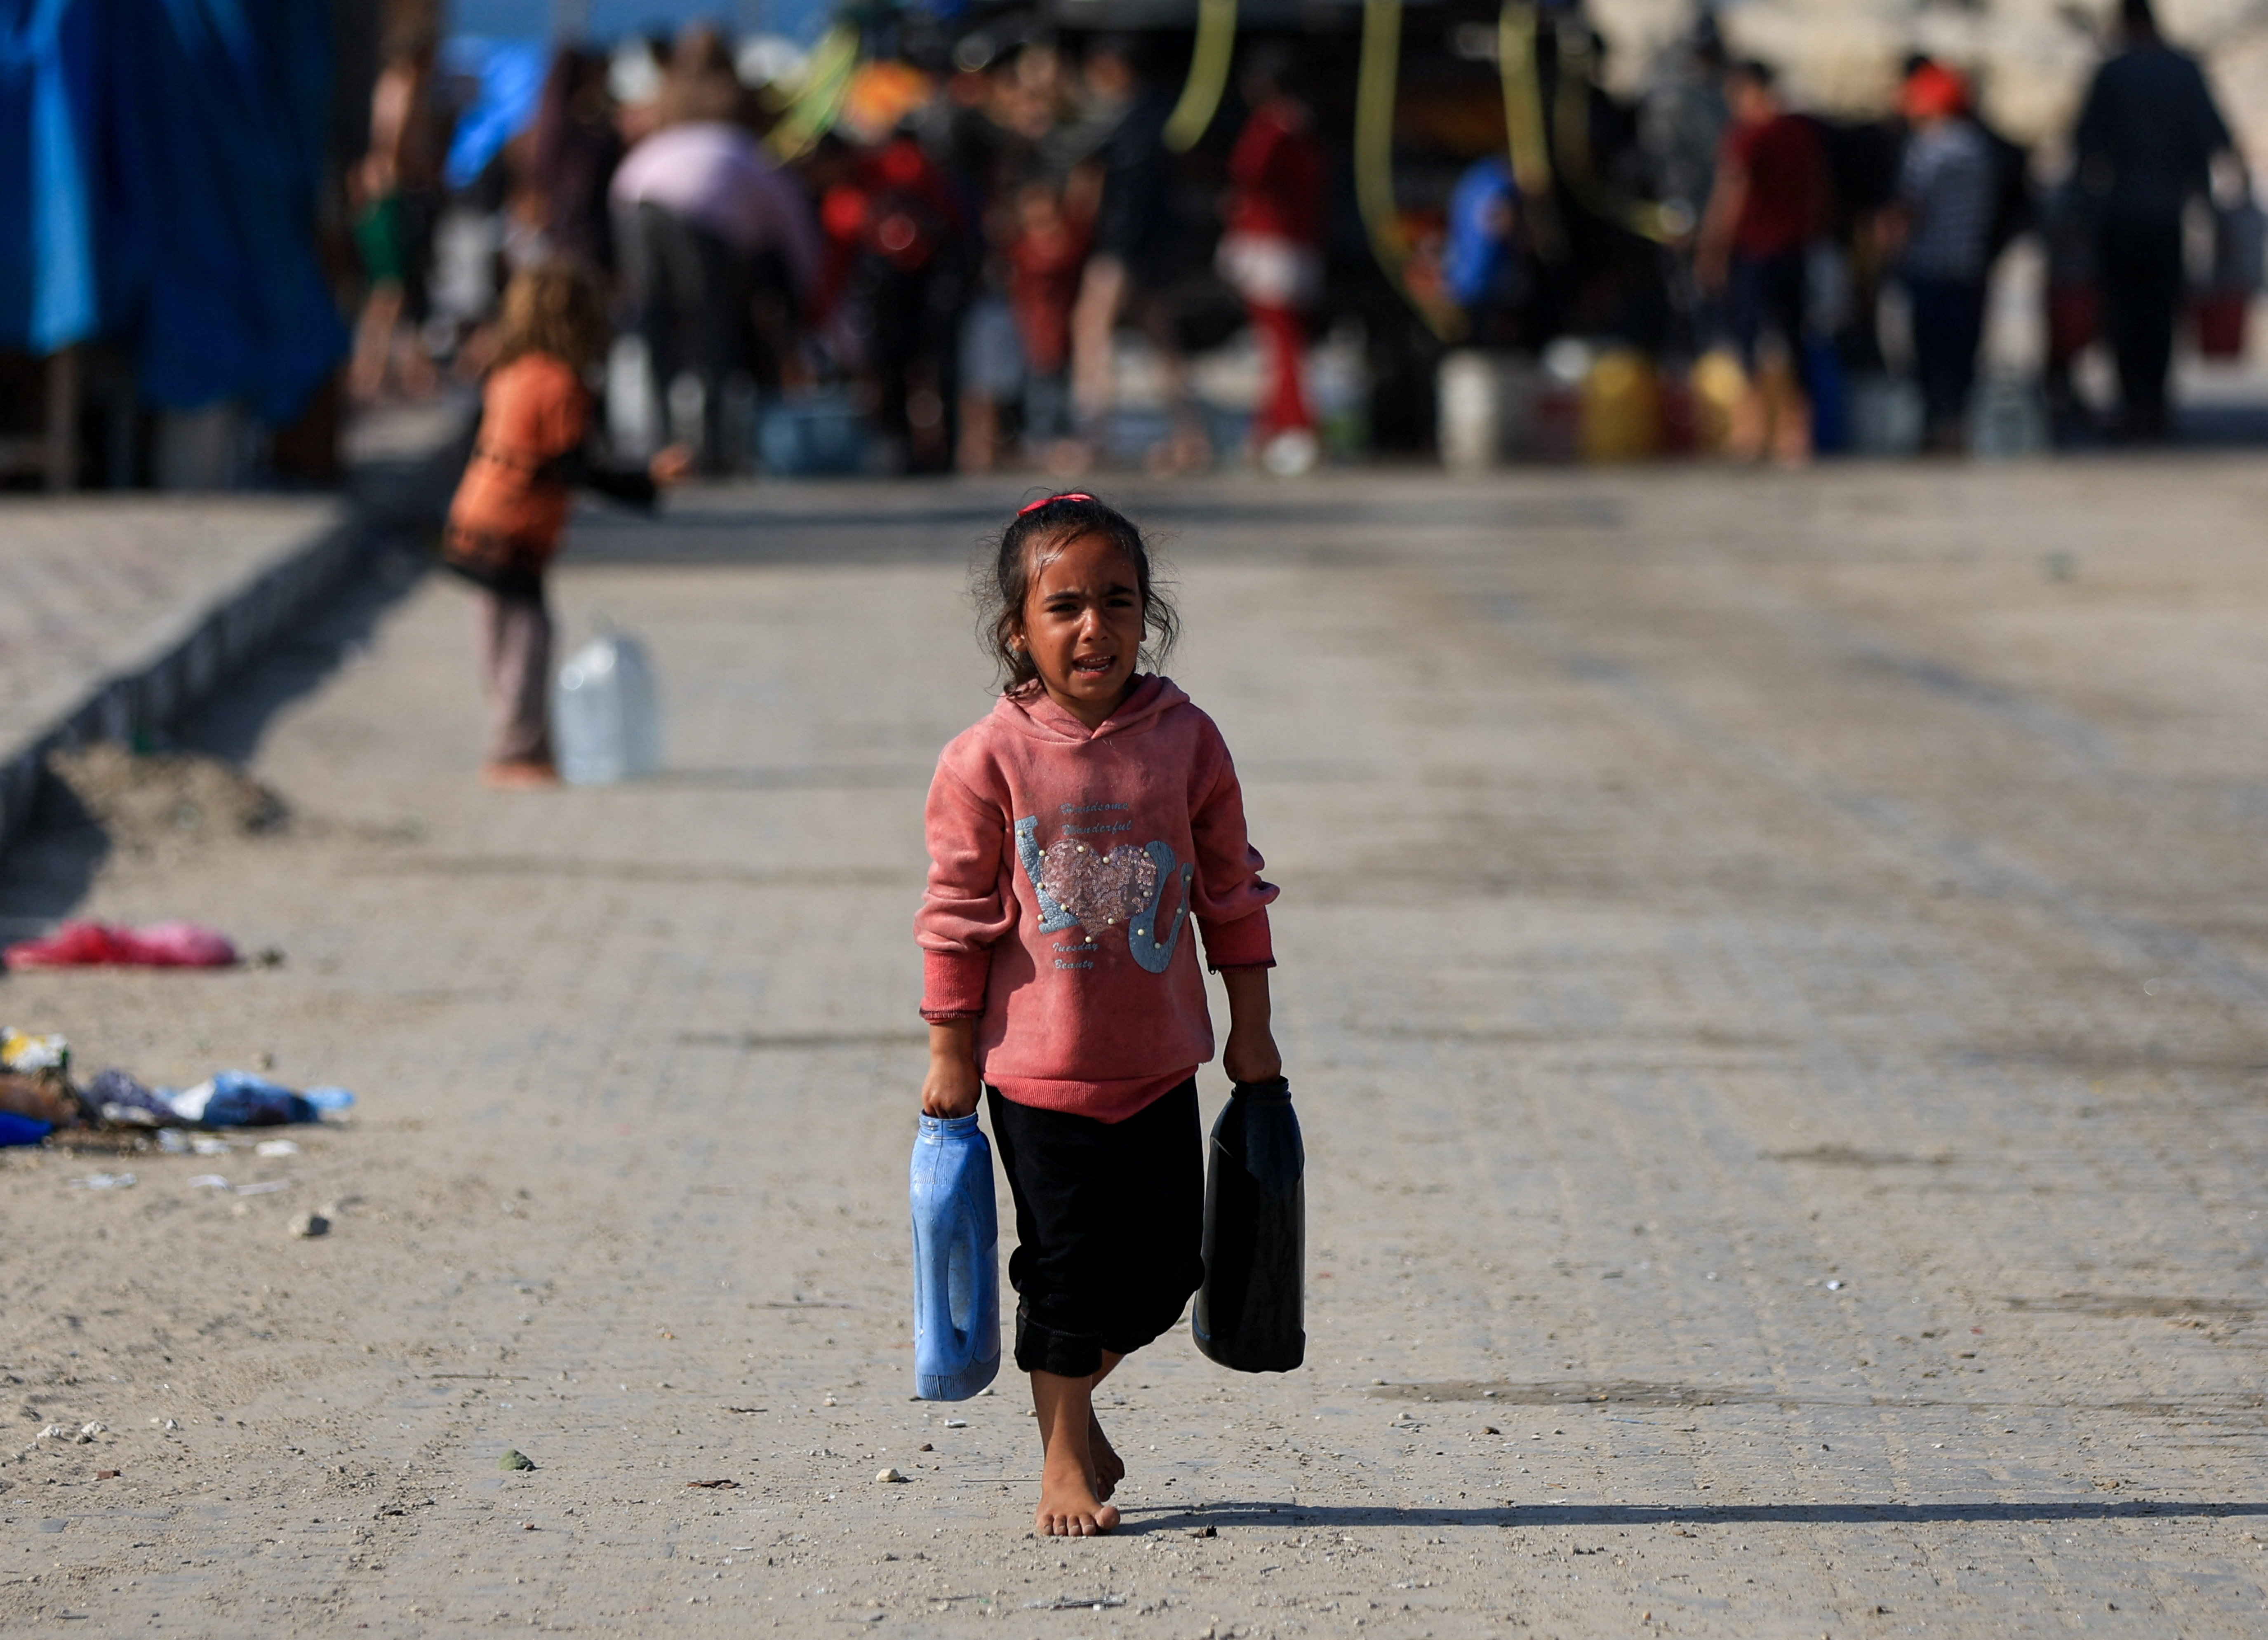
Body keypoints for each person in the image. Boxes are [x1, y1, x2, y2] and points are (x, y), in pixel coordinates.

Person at [916, 492, 1282, 1537]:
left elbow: (1231, 892)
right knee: (1065, 1266)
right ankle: (1062, 1454)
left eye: (1116, 602)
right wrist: (948, 1051)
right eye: (1064, 606)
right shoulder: (985, 758)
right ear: (1017, 632)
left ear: (1145, 614)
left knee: (1171, 1269)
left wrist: (1249, 1030)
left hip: (1160, 1064)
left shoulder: (1186, 742)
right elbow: (955, 916)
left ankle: (1069, 1394)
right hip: (1035, 1071)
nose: (1093, 627)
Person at [442, 263, 692, 788]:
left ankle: (517, 737)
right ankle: (517, 749)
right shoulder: (561, 384)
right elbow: (576, 468)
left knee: (497, 630)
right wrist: (649, 479)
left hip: (474, 517)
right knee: (530, 636)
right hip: (516, 526)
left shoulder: (510, 372)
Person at [610, 30, 821, 470]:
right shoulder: (744, 150)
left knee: (656, 328)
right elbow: (793, 223)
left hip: (638, 198)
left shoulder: (665, 132)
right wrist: (811, 285)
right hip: (704, 219)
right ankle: (709, 450)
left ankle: (659, 441)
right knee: (713, 331)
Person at [2073, 0, 2242, 442]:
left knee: (2125, 313)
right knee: (2161, 313)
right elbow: (2214, 142)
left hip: (2120, 213)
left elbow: (2085, 147)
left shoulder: (2113, 74)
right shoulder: (2183, 72)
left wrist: (2077, 213)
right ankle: (2155, 406)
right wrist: (2222, 216)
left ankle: (2133, 405)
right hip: (2168, 215)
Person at [1696, 59, 1830, 465]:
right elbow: (1820, 190)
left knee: (1747, 338)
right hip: (1794, 249)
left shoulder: (1747, 137)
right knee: (1794, 336)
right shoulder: (1800, 133)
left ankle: (1750, 433)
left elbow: (1731, 193)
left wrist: (1712, 247)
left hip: (1754, 250)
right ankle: (1796, 435)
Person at [1218, 46, 1329, 477]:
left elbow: (1249, 175)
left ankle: (1296, 427)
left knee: (1279, 344)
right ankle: (1272, 427)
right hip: (1296, 244)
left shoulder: (1270, 128)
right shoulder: (1305, 128)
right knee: (1285, 343)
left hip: (1269, 245)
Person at [1881, 61, 1998, 453]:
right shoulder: (1977, 146)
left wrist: (1887, 245)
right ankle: (1957, 427)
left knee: (1928, 356)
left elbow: (1910, 206)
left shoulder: (1929, 148)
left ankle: (1934, 429)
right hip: (1969, 266)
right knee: (1962, 354)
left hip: (1929, 266)